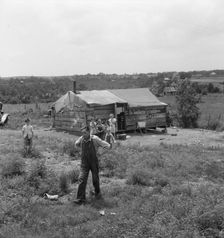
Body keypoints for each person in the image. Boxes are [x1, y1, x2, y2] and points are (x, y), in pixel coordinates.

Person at [74, 125, 111, 205]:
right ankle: (80, 199)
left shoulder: (95, 139)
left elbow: (107, 145)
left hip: (94, 162)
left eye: (85, 133)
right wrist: (79, 148)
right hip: (84, 163)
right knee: (81, 178)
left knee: (95, 179)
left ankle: (97, 193)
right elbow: (76, 144)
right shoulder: (81, 138)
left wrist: (101, 152)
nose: (83, 134)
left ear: (89, 132)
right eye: (82, 133)